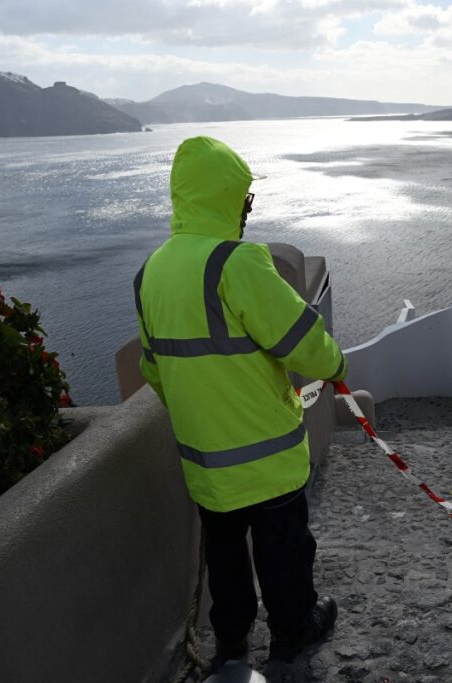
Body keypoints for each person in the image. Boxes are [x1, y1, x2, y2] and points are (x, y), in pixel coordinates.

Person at [133, 136, 348, 666]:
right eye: (246, 199)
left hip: (207, 463)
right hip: (267, 457)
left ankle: (231, 639)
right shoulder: (238, 263)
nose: (249, 211)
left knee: (225, 558)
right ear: (229, 198)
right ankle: (294, 629)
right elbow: (303, 340)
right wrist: (337, 367)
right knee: (285, 553)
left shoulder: (150, 274)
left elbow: (153, 371)